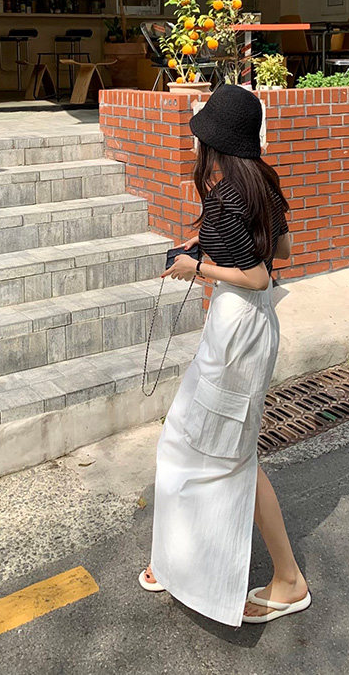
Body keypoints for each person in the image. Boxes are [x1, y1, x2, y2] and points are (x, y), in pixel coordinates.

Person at [139, 83, 310, 627]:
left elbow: (257, 275)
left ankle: (287, 580)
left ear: (214, 142)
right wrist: (210, 245)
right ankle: (175, 559)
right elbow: (281, 250)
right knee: (200, 444)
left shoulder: (222, 194)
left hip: (236, 332)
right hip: (254, 328)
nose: (196, 143)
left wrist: (196, 266)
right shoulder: (261, 180)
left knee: (220, 455)